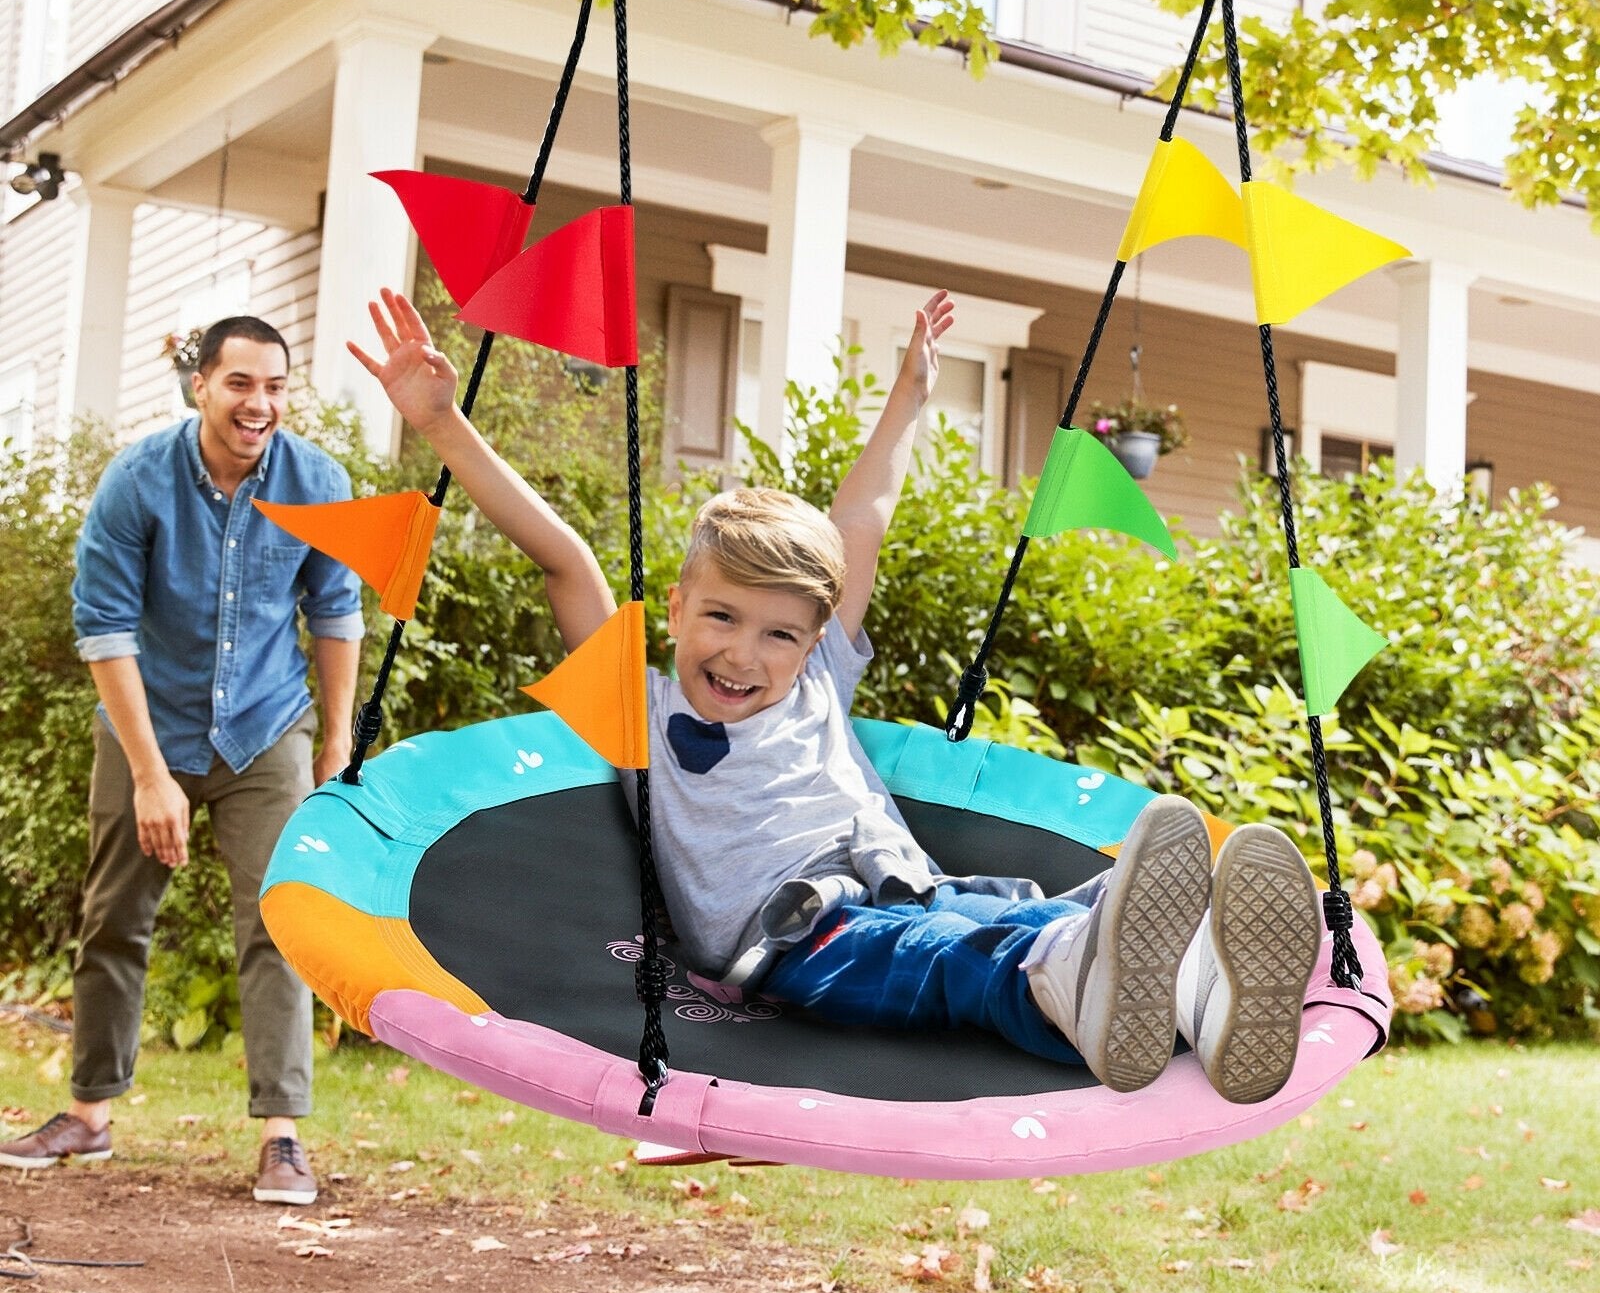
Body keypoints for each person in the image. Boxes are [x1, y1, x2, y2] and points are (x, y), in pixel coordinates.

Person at [344, 287, 1321, 1102]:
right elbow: (561, 557)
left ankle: (1201, 995)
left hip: (913, 892)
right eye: (720, 618)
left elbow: (862, 514)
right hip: (789, 940)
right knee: (957, 964)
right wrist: (442, 423)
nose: (743, 654)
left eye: (778, 633)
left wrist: (909, 395)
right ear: (674, 608)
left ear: (813, 640)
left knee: (1018, 914)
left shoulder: (816, 678)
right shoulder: (635, 706)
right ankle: (1083, 989)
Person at [0, 317, 365, 1201]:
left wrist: (337, 737)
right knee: (115, 916)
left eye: (275, 386)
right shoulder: (137, 482)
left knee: (278, 921)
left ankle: (281, 1135)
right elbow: (105, 629)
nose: (260, 404)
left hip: (265, 728)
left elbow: (336, 610)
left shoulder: (317, 481)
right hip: (146, 724)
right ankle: (89, 1115)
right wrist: (151, 773)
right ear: (200, 385)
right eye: (242, 384)